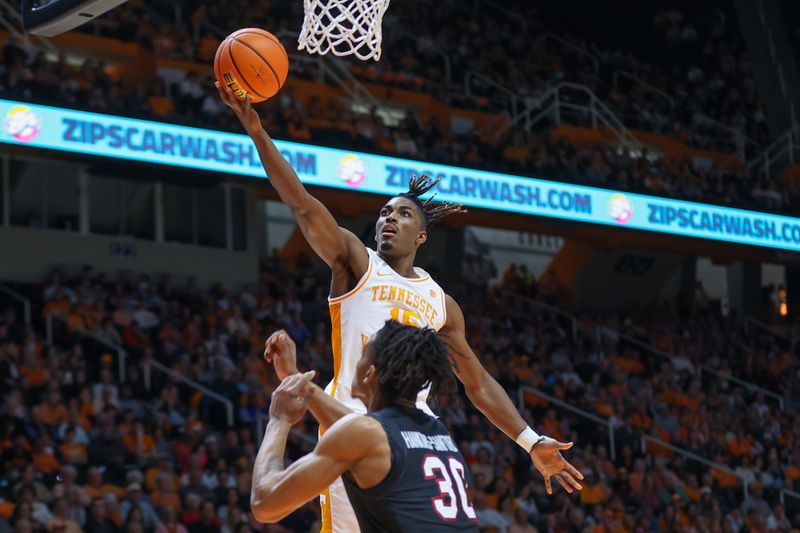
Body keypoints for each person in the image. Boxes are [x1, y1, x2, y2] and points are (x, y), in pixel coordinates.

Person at [218, 84, 582, 533]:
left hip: (417, 436)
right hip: (351, 419)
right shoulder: (356, 261)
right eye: (385, 212)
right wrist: (256, 130)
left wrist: (529, 441)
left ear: (422, 237)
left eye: (403, 214)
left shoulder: (441, 301)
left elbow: (478, 382)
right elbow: (303, 206)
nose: (389, 218)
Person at [252, 321, 480, 530]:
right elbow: (359, 429)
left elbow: (264, 503)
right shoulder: (438, 433)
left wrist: (278, 420)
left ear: (369, 373)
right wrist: (296, 380)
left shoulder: (366, 435)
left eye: (362, 355)